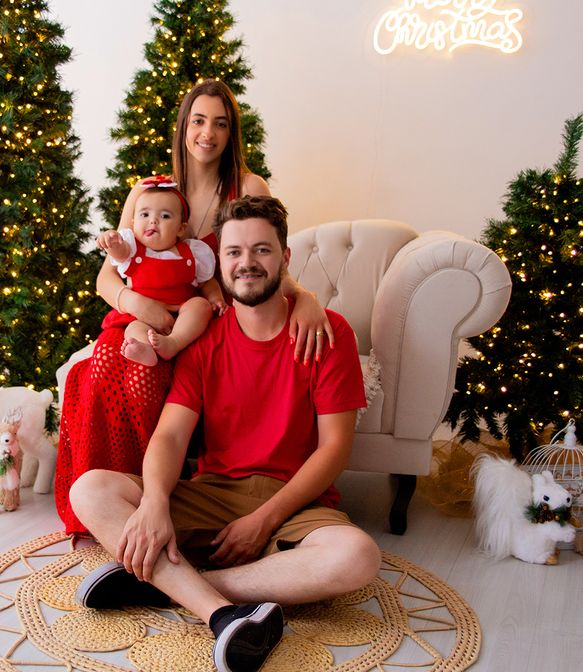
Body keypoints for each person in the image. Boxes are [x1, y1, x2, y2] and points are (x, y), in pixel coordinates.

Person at [69, 196, 381, 672]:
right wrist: (154, 502)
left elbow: (335, 448)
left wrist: (263, 519)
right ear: (221, 261)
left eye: (261, 250)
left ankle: (171, 584)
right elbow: (172, 436)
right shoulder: (205, 337)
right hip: (214, 492)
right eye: (234, 252)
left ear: (284, 258)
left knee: (358, 557)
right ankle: (219, 612)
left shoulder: (327, 333)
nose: (247, 263)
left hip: (292, 501)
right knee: (89, 489)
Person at [54, 79, 335, 535]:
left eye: (221, 124)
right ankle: (108, 499)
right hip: (145, 312)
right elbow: (109, 275)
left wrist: (306, 296)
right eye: (199, 121)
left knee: (153, 366)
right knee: (107, 361)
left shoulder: (246, 185)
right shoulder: (148, 191)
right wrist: (141, 305)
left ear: (231, 134)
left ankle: (158, 495)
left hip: (205, 321)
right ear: (184, 126)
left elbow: (262, 256)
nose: (208, 133)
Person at [99, 176, 226, 367]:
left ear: (181, 229)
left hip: (181, 314)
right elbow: (119, 253)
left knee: (200, 306)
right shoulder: (132, 248)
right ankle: (145, 350)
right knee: (134, 330)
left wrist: (216, 299)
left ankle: (173, 342)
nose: (153, 221)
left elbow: (206, 282)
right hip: (142, 316)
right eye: (145, 215)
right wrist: (111, 242)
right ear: (133, 224)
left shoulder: (191, 253)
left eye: (165, 216)